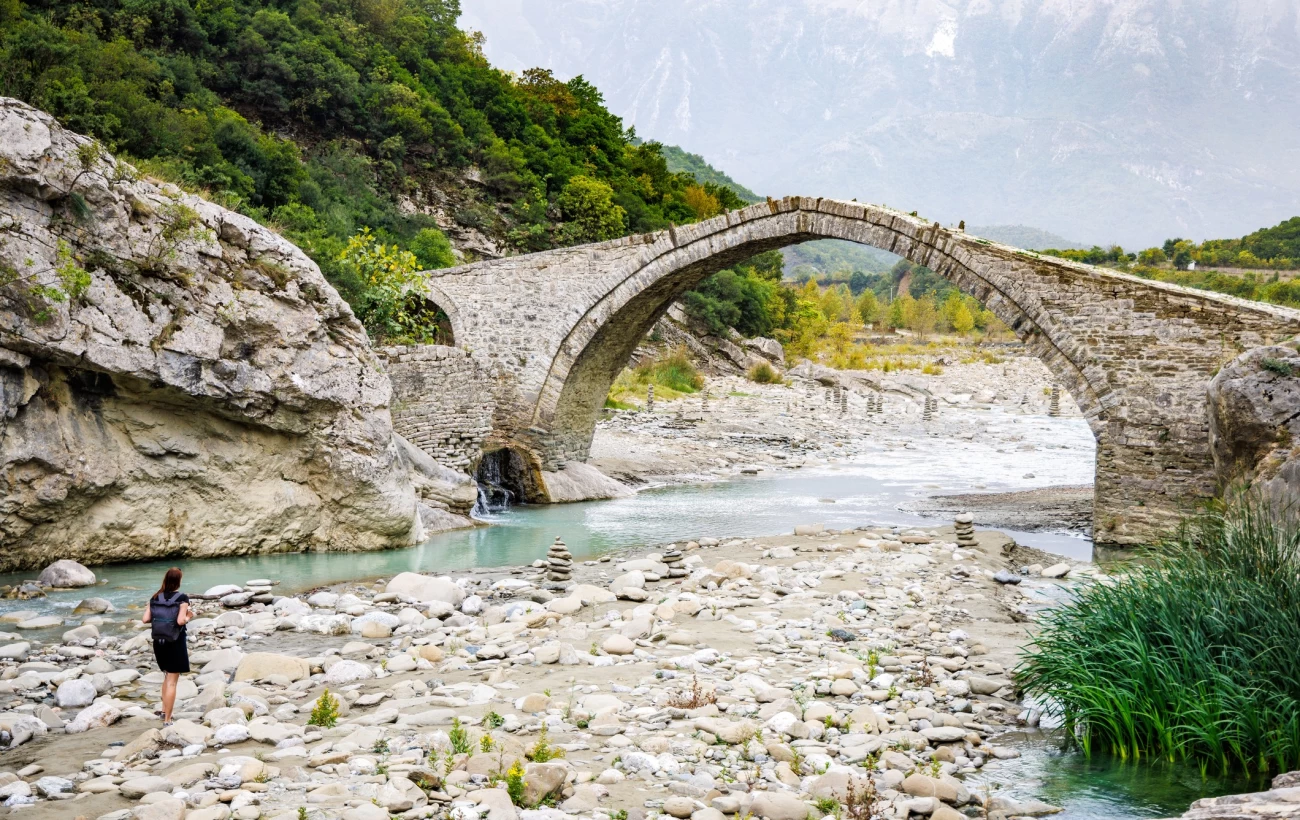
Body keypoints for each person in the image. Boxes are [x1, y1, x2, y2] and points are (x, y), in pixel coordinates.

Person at [141, 567, 191, 724]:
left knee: (166, 676)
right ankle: (168, 720)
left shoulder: (155, 597)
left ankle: (164, 711)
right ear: (178, 581)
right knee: (172, 681)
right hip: (175, 641)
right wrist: (189, 616)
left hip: (159, 642)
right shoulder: (182, 598)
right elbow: (180, 621)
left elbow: (145, 619)